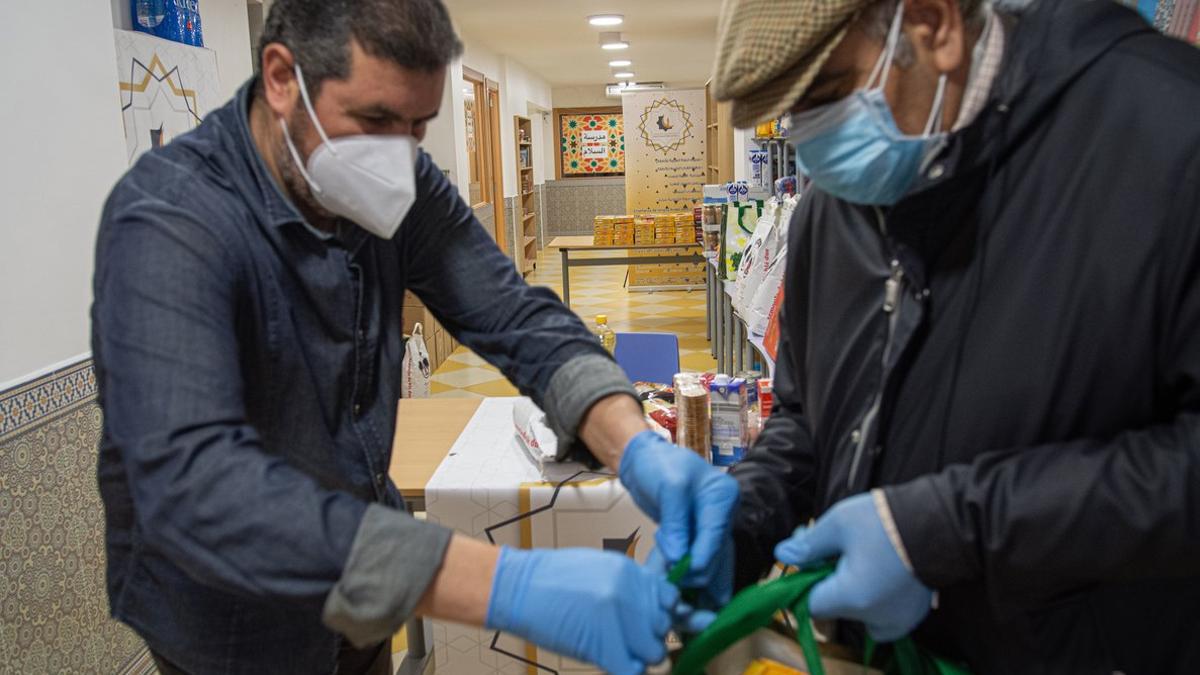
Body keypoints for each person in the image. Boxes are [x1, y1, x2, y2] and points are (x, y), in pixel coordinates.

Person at [91, 1, 736, 673]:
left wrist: (632, 442)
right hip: (234, 629)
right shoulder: (169, 221)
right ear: (281, 78)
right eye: (372, 120)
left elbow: (511, 311)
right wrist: (507, 586)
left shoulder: (394, 176)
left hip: (365, 604)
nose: (396, 153)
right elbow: (196, 485)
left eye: (418, 127)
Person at [677, 0, 1200, 672]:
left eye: (831, 96)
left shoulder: (1169, 136)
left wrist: (945, 530)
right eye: (793, 117)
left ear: (933, 25)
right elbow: (810, 417)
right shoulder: (836, 203)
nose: (813, 141)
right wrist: (743, 520)